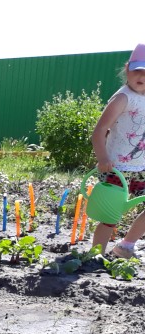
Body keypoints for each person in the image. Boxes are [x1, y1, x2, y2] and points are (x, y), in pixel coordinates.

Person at [89, 43, 145, 260]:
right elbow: (99, 131)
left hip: (141, 167)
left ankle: (126, 246)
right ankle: (96, 255)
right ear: (127, 68)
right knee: (110, 216)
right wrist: (102, 158)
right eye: (137, 70)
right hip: (116, 168)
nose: (141, 76)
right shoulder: (123, 98)